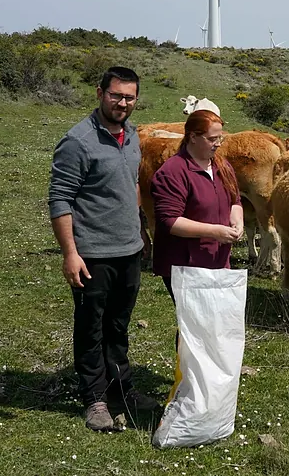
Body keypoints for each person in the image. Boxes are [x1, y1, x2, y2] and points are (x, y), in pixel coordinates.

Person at [48, 65, 159, 433]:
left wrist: (141, 230)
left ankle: (120, 389)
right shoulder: (78, 141)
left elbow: (131, 188)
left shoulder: (132, 136)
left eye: (129, 97)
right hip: (93, 253)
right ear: (100, 93)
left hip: (128, 250)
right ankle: (95, 398)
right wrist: (70, 253)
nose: (122, 102)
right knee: (91, 327)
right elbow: (61, 199)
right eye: (116, 95)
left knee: (118, 325)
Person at [148, 109, 244, 299]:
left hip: (217, 257)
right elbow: (170, 222)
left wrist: (237, 221)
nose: (218, 144)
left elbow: (235, 201)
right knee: (195, 321)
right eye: (212, 139)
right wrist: (215, 231)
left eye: (220, 139)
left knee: (212, 320)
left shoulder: (222, 166)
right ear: (193, 137)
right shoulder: (173, 171)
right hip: (186, 263)